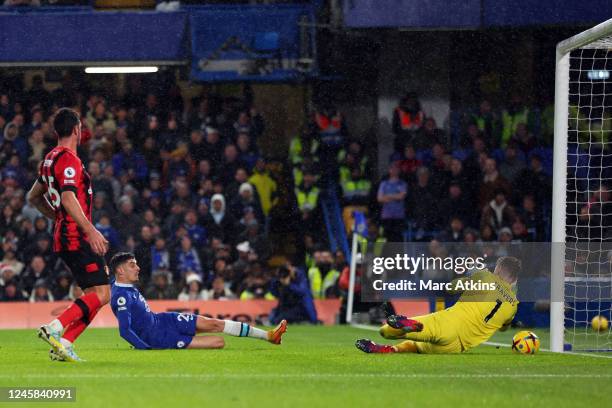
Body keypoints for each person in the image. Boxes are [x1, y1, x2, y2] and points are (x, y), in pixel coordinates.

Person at [27, 108, 110, 363]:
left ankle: (64, 344)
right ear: (77, 129)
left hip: (64, 235)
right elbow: (68, 196)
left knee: (94, 296)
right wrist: (90, 229)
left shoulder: (49, 159)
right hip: (76, 236)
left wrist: (59, 218)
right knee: (103, 295)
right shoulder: (69, 159)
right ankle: (56, 328)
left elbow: (33, 197)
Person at [102, 252, 287, 352]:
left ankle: (270, 336)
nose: (138, 267)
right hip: (160, 337)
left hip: (165, 319)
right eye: (132, 265)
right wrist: (145, 348)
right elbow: (124, 331)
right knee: (218, 342)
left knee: (214, 323)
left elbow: (105, 277)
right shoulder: (121, 296)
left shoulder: (122, 284)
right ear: (120, 271)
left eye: (136, 263)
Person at [355, 256, 520, 354]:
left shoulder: (485, 277)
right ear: (514, 280)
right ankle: (390, 350)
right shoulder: (513, 304)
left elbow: (450, 288)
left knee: (386, 330)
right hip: (456, 346)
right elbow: (505, 328)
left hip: (448, 323)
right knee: (418, 347)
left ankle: (413, 325)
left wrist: (470, 276)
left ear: (498, 269)